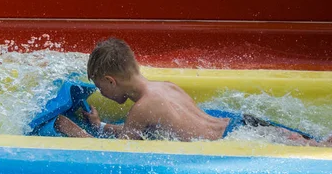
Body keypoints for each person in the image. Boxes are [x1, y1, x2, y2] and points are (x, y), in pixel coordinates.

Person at [54, 38, 332, 147]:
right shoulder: (165, 88)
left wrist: (76, 132)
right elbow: (134, 130)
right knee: (318, 144)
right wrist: (100, 124)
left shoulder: (141, 109)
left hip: (238, 141)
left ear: (111, 81)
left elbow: (122, 153)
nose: (101, 93)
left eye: (101, 87)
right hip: (243, 124)